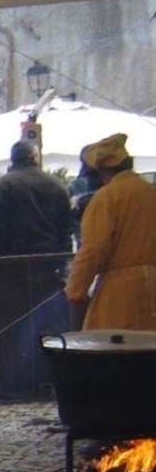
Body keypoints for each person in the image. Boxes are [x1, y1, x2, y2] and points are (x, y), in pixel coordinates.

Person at [65, 133, 156, 330]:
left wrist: (75, 290)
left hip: (119, 296)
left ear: (101, 172)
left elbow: (93, 249)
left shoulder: (106, 198)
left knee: (116, 353)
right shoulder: (150, 193)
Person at [0, 140, 72, 256]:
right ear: (35, 157)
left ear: (13, 159)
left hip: (14, 256)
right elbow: (65, 226)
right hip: (50, 255)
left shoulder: (3, 185)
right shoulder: (56, 184)